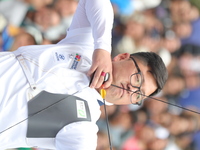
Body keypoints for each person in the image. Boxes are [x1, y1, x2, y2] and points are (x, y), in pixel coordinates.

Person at [0, 0, 168, 150]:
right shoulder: (87, 46)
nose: (132, 89)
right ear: (122, 57)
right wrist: (102, 48)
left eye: (138, 95)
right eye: (138, 79)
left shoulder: (84, 127)